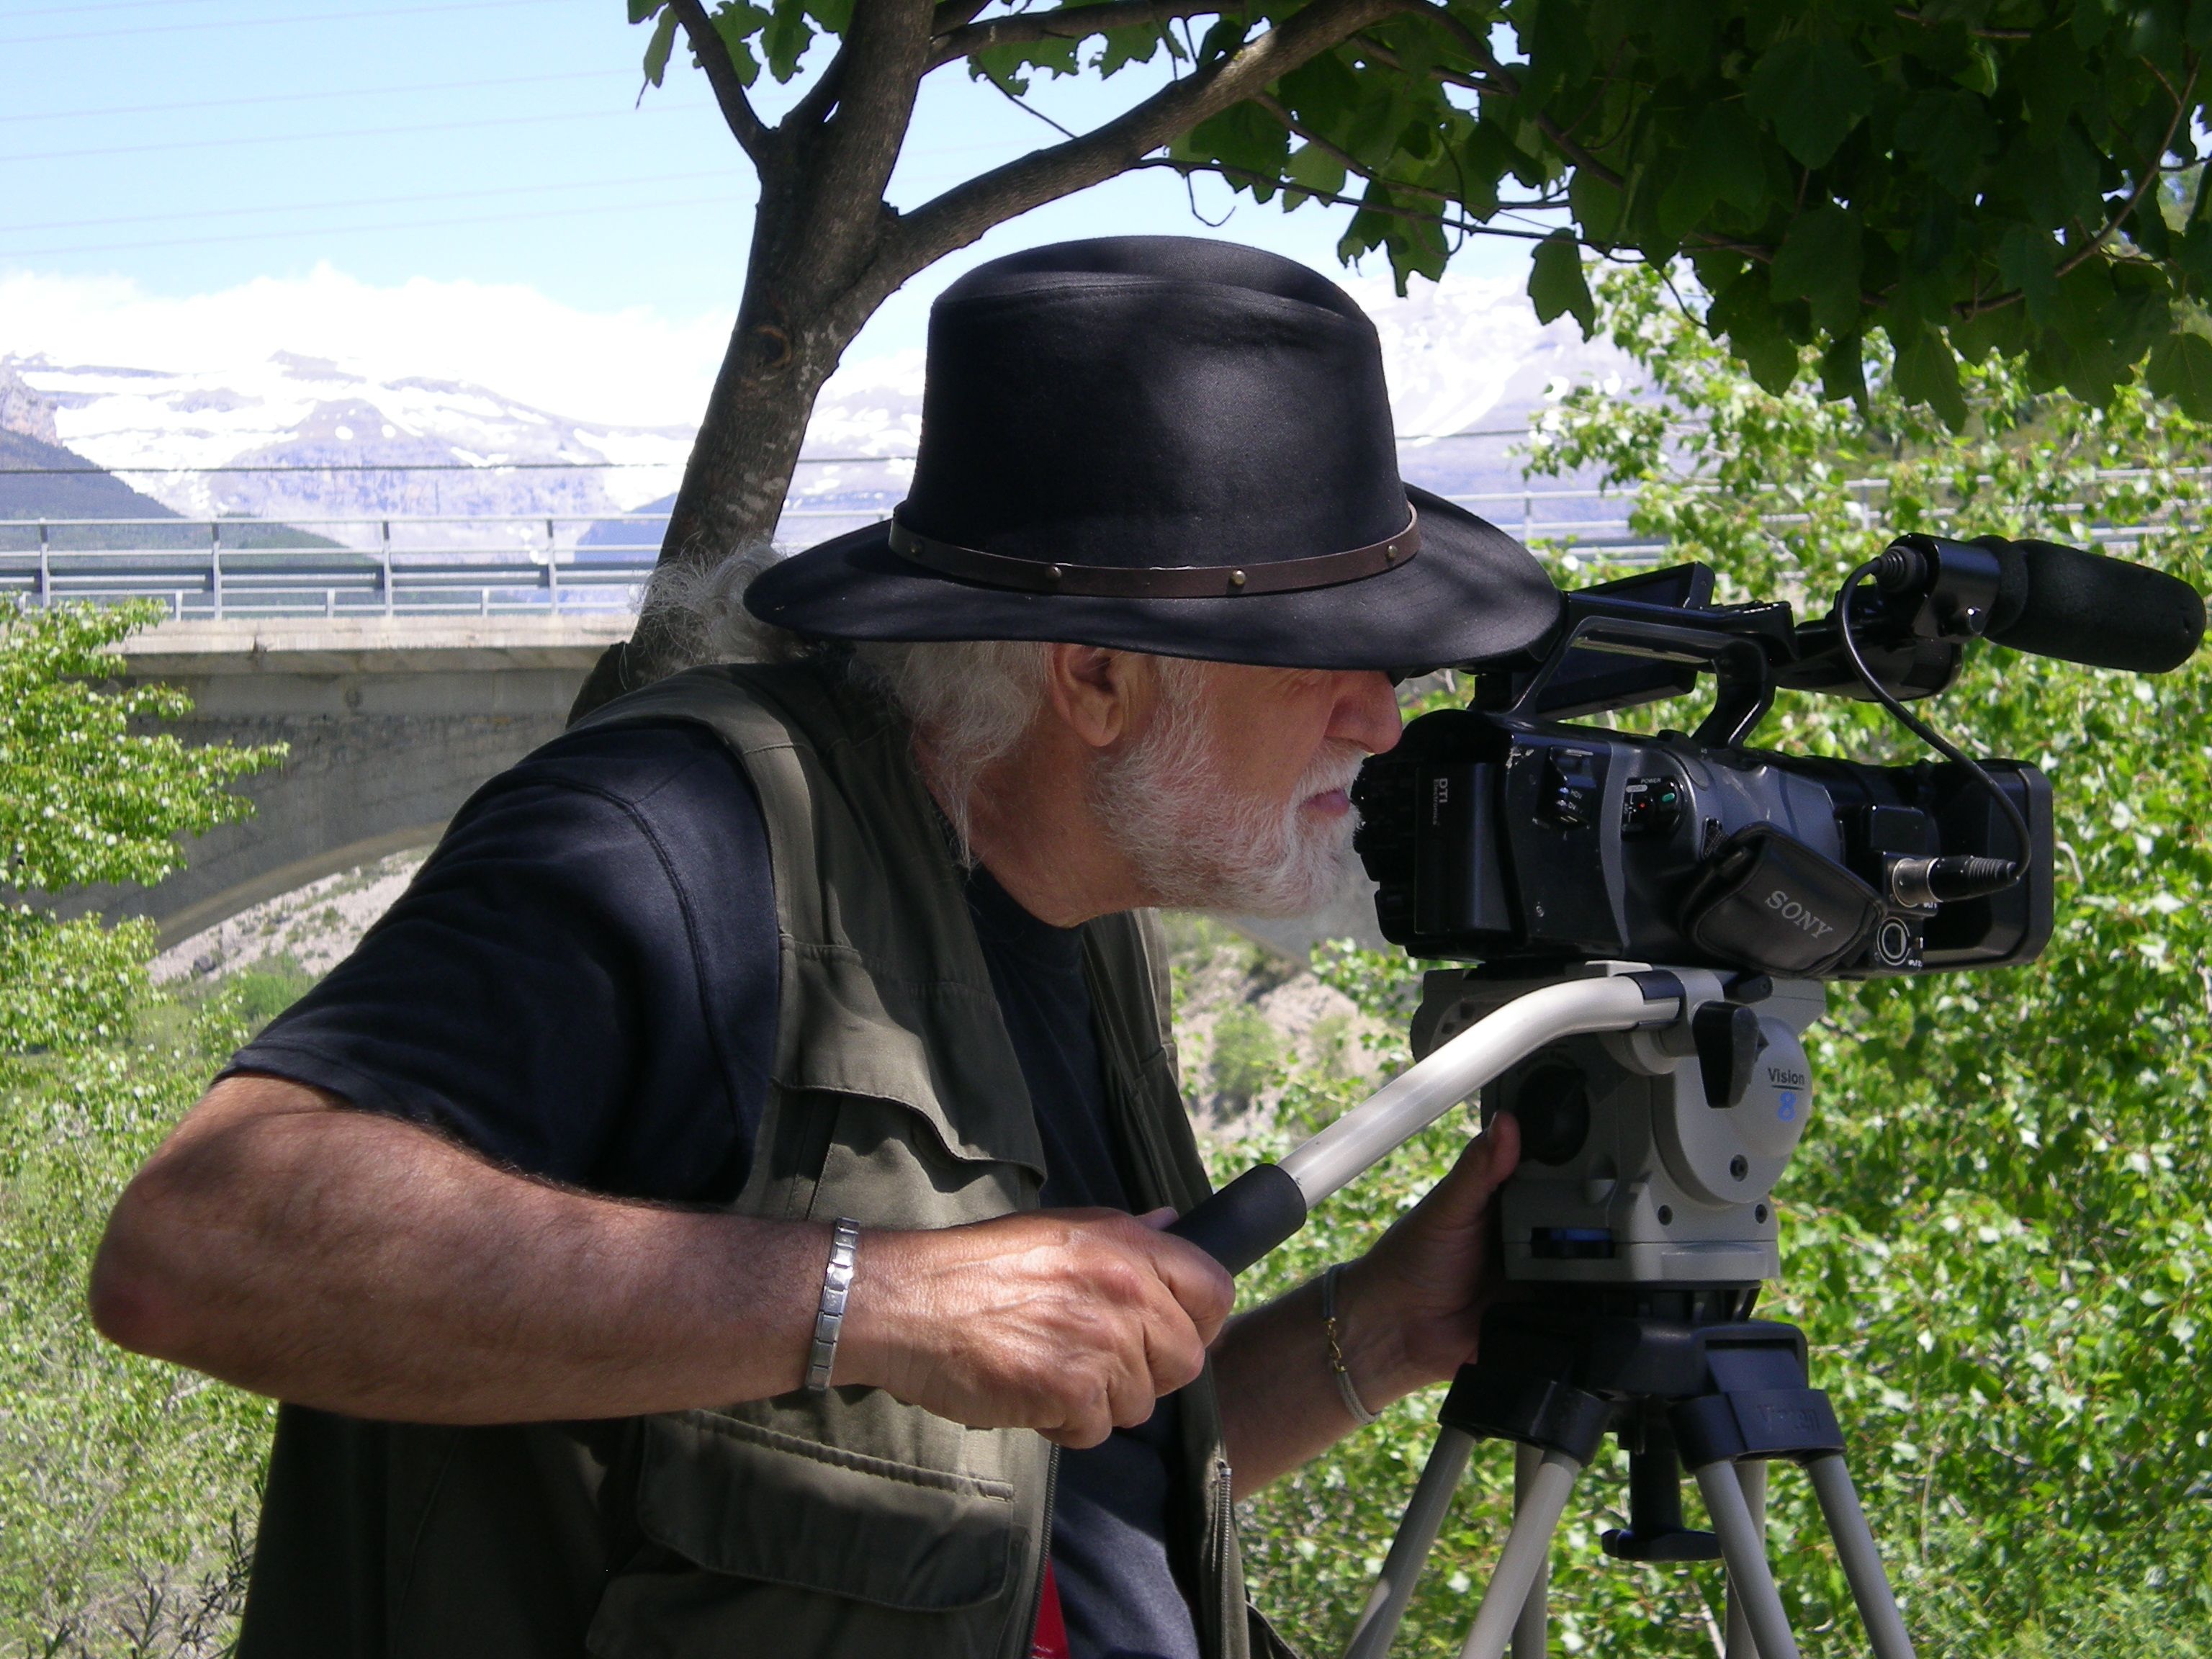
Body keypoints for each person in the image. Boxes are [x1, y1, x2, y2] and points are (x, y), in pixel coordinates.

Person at [89, 237, 1565, 1659]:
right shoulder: (680, 838)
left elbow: (1034, 1481)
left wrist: (1380, 1324)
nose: (1381, 714)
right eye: (1329, 651)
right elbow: (203, 1241)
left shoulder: (1083, 914)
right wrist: (882, 1298)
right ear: (1100, 675)